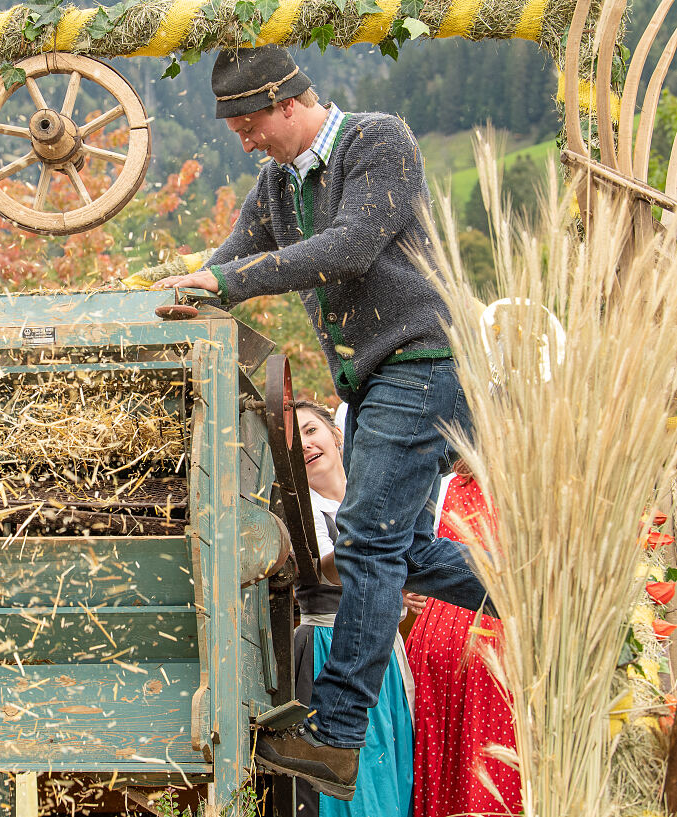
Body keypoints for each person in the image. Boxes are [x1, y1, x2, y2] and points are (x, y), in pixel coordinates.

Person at [153, 46, 490, 799]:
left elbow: (349, 246)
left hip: (428, 359)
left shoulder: (378, 140)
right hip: (373, 378)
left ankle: (336, 734)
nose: (242, 140)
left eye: (246, 123)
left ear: (284, 102)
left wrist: (225, 280)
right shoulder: (277, 183)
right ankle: (529, 594)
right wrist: (186, 294)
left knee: (366, 539)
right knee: (397, 545)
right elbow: (231, 260)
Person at [290, 399, 414, 817]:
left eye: (310, 430)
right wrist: (379, 553)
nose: (304, 443)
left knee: (387, 772)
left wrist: (404, 583)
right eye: (292, 438)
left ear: (336, 436)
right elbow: (328, 569)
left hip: (386, 657)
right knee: (345, 786)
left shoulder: (377, 495)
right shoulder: (299, 511)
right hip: (329, 647)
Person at [406, 467, 520, 817]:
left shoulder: (537, 483)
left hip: (506, 657)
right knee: (442, 762)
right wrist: (404, 590)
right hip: (439, 657)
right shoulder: (440, 485)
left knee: (496, 765)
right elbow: (405, 552)